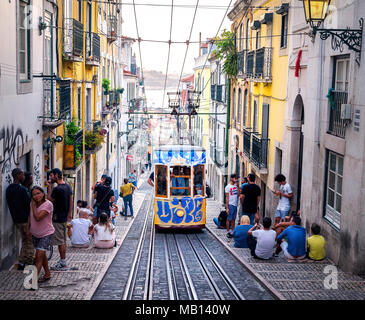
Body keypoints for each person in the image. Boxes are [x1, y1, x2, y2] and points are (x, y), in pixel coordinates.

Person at [6, 168, 35, 270]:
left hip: (17, 220)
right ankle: (28, 262)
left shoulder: (9, 189)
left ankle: (23, 263)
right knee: (29, 242)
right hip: (25, 220)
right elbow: (29, 206)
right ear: (18, 175)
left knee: (25, 241)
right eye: (22, 174)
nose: (24, 176)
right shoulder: (22, 190)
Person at [47, 168, 73, 271]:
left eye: (52, 175)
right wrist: (69, 214)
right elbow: (71, 201)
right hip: (64, 217)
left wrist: (49, 187)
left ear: (57, 175)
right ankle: (63, 261)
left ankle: (63, 262)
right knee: (63, 240)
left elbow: (49, 200)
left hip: (57, 218)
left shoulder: (57, 189)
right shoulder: (67, 186)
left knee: (60, 241)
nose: (50, 177)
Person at [28, 186, 54, 283]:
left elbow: (38, 217)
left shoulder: (48, 204)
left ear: (43, 193)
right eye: (34, 194)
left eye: (38, 193)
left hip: (46, 233)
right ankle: (47, 274)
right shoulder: (32, 203)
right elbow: (30, 216)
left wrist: (34, 206)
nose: (36, 196)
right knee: (42, 255)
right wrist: (28, 229)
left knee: (38, 256)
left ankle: (32, 281)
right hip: (35, 233)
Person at [225, 174, 239, 238]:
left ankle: (232, 231)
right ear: (231, 178)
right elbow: (227, 198)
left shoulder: (236, 186)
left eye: (237, 178)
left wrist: (238, 187)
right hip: (230, 204)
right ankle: (228, 231)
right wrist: (227, 207)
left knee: (233, 219)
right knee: (229, 219)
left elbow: (238, 195)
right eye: (235, 178)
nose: (236, 179)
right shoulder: (228, 187)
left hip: (235, 204)